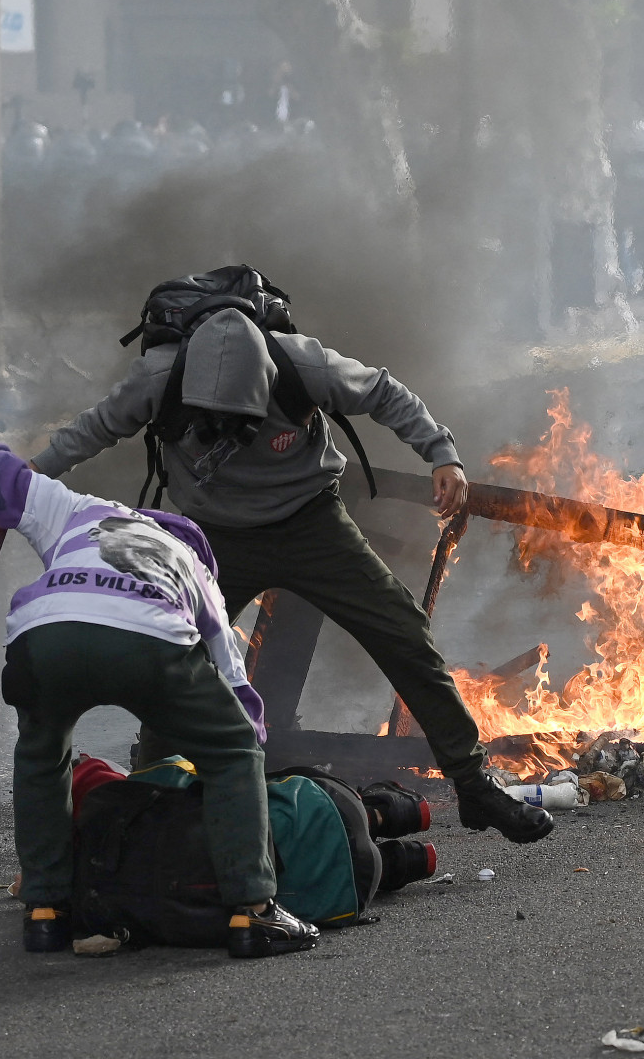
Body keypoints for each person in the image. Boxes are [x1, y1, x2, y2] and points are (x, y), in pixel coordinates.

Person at [28, 306, 553, 844]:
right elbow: (92, 429)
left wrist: (442, 455)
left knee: (402, 630)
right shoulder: (160, 378)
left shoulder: (303, 365)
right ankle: (150, 797)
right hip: (213, 537)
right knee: (177, 657)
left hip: (310, 523)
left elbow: (384, 393)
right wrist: (25, 478)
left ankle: (473, 784)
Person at [0, 396, 317, 958]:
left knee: (42, 754)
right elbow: (235, 682)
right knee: (233, 750)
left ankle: (45, 911)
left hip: (46, 633)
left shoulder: (76, 509)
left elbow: (2, 473)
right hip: (147, 637)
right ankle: (253, 912)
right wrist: (250, 749)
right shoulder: (194, 567)